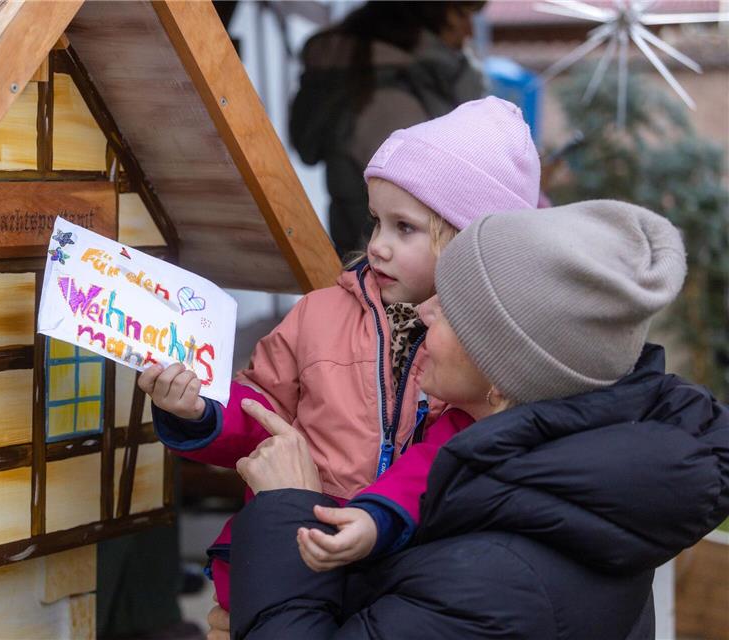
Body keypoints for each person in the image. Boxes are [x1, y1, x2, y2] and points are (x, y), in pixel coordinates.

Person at [210, 199, 729, 639]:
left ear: (502, 371)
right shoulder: (540, 485)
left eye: (453, 308)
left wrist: (285, 512)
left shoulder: (492, 579)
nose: (425, 312)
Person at [139, 97, 540, 611]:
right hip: (291, 550)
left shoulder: (481, 350)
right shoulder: (318, 315)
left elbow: (455, 453)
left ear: (467, 243)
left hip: (411, 576)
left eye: (406, 228)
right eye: (377, 222)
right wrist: (200, 411)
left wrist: (378, 518)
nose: (377, 246)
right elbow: (261, 416)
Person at [289, 1, 486, 257]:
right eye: (462, 14)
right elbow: (433, 206)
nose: (469, 30)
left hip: (360, 262)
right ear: (426, 12)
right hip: (391, 277)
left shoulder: (369, 80)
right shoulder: (393, 97)